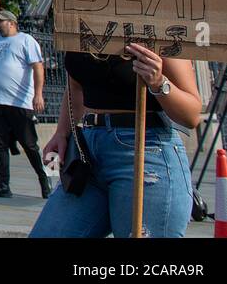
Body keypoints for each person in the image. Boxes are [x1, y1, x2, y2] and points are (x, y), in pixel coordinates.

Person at [29, 41, 202, 238]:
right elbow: (75, 87)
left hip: (146, 153)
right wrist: (62, 132)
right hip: (88, 154)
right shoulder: (79, 21)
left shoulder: (157, 29)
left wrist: (158, 82)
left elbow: (191, 115)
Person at [0, 9, 48, 199]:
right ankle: (3, 185)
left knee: (29, 144)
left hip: (19, 103)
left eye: (0, 21)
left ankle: (44, 180)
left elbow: (37, 67)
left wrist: (38, 95)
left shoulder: (26, 41)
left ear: (11, 23)